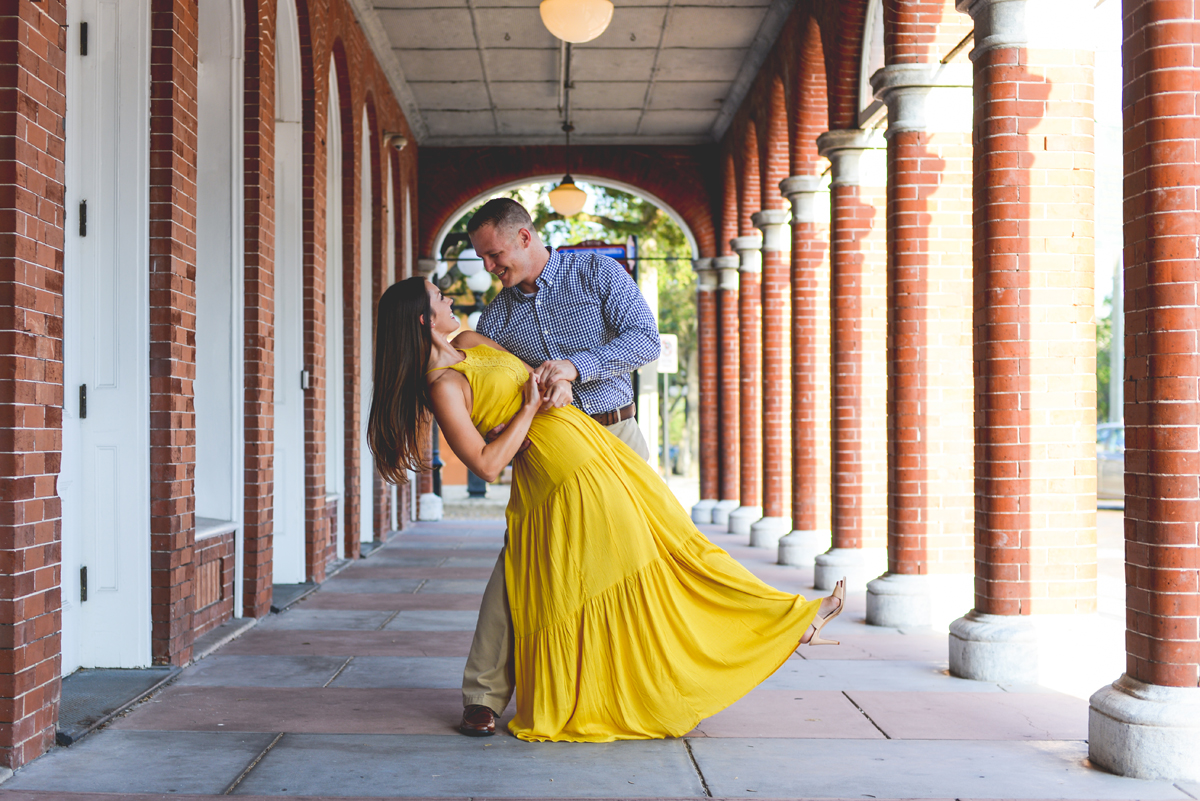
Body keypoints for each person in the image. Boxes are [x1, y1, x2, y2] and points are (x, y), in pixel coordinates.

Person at [367, 276, 846, 743]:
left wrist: (552, 386)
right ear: (424, 319)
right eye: (440, 296)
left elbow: (531, 384)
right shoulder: (443, 385)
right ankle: (784, 624)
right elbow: (488, 464)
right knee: (618, 576)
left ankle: (785, 620)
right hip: (563, 480)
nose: (453, 297)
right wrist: (529, 410)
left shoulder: (474, 338)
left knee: (671, 550)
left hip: (600, 451)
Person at [457, 198, 660, 737]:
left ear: (525, 238)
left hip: (614, 435)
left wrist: (574, 368)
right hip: (546, 452)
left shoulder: (596, 271)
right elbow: (492, 386)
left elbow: (646, 340)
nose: (490, 268)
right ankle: (483, 693)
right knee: (518, 561)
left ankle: (634, 684)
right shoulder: (497, 316)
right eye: (483, 259)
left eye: (495, 255)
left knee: (636, 560)